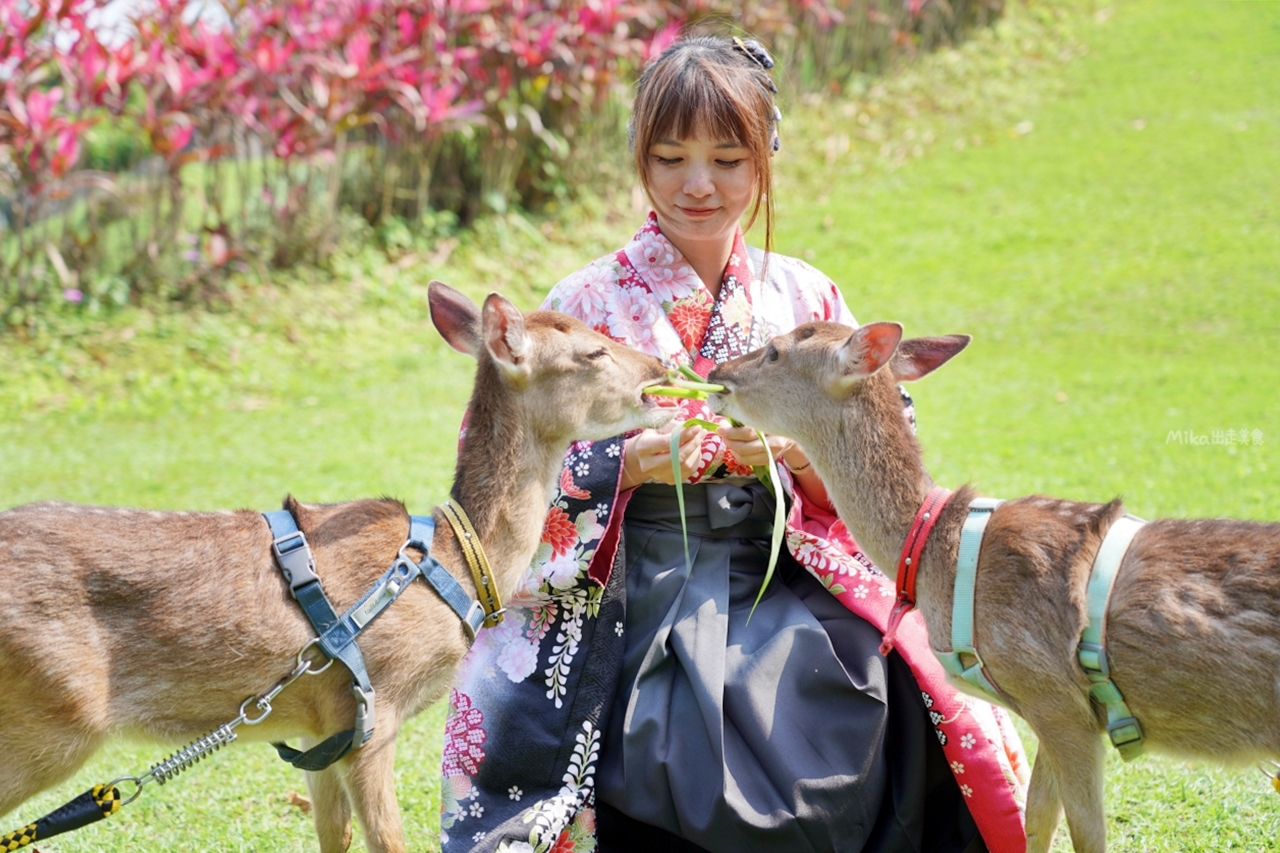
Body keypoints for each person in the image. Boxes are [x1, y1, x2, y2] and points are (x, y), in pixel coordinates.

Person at [439, 34, 1029, 853]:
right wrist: (626, 465)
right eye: (670, 156)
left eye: (727, 158)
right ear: (639, 158)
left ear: (765, 157)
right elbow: (501, 460)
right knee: (657, 733)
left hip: (781, 567)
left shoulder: (806, 295)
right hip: (631, 583)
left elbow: (884, 450)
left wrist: (797, 459)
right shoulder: (582, 302)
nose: (697, 184)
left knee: (888, 681)